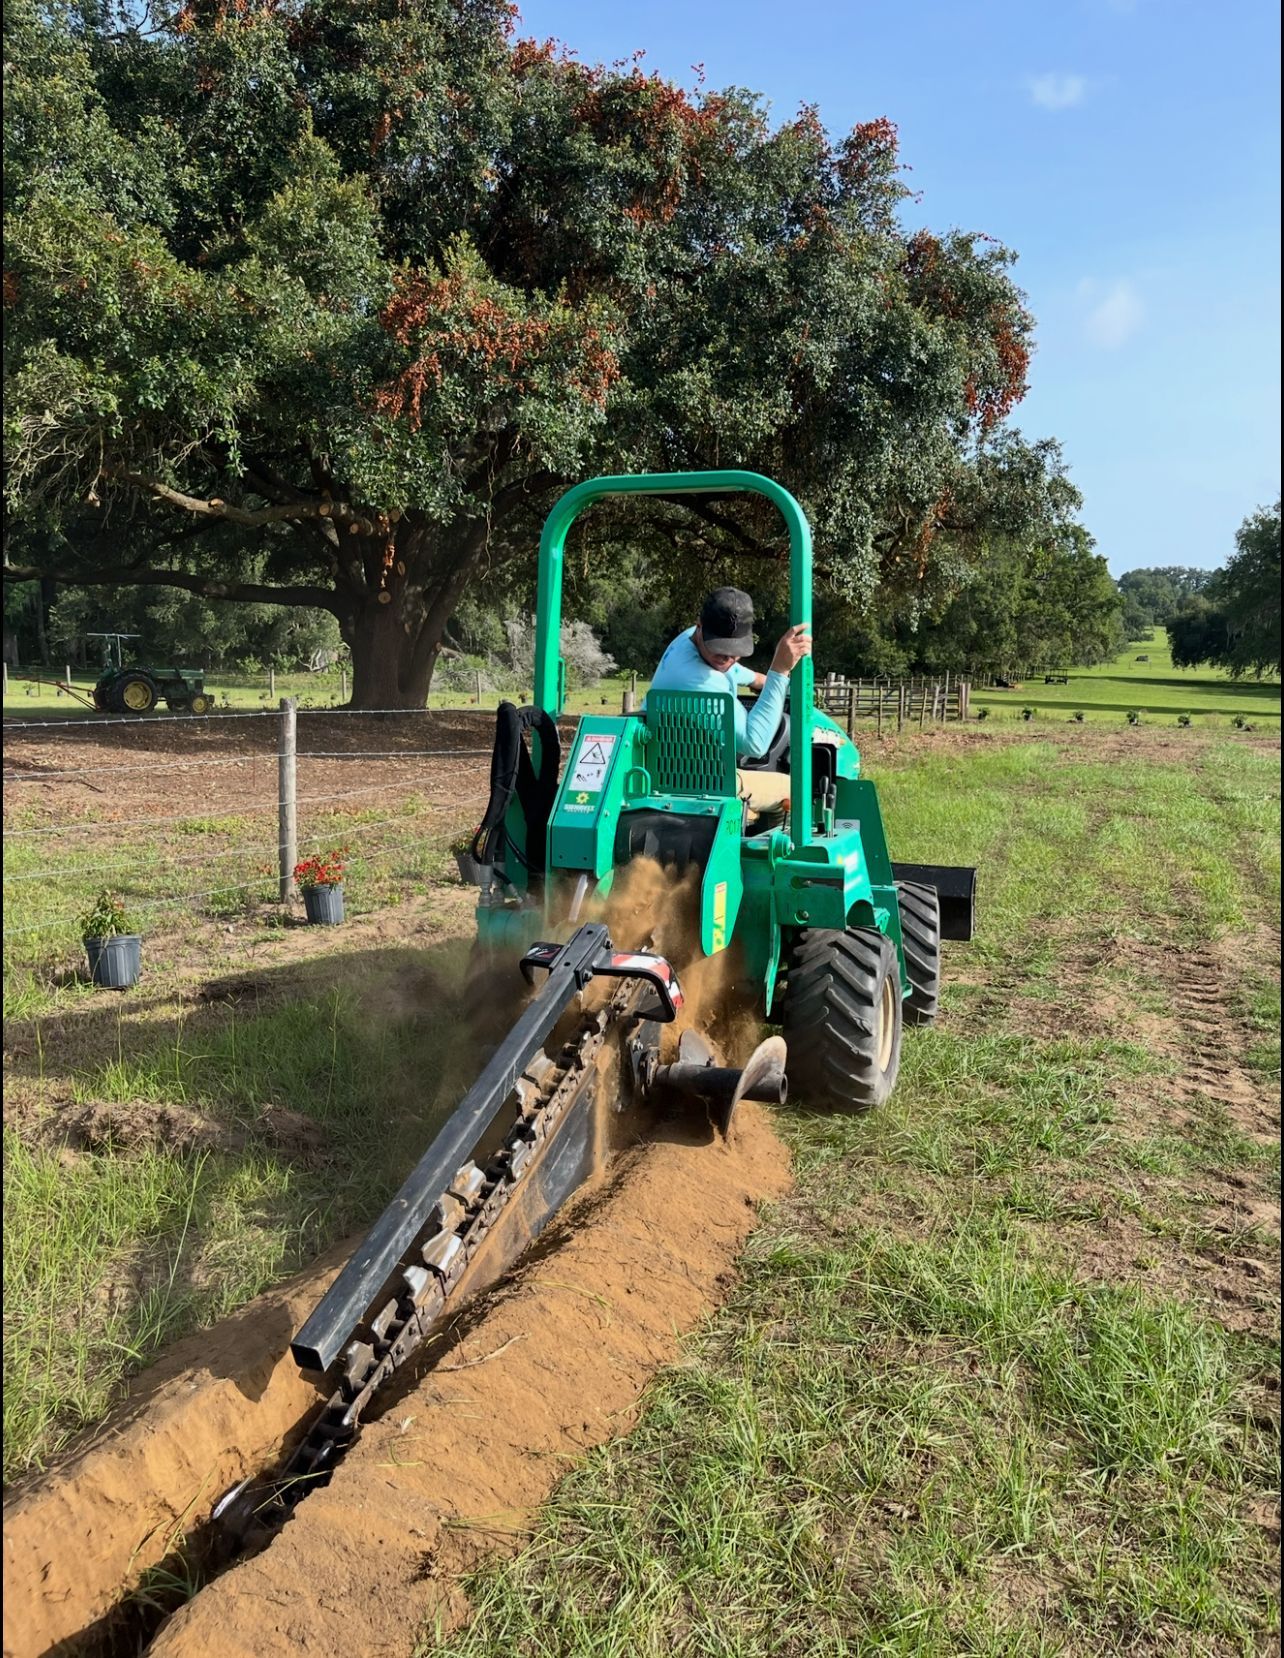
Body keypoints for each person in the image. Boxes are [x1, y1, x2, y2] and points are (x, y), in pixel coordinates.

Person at [648, 587, 812, 759]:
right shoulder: (696, 681)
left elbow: (723, 665)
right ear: (699, 628)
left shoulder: (689, 637)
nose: (727, 658)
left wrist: (755, 679)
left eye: (735, 651)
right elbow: (755, 744)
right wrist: (779, 670)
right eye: (719, 649)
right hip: (679, 771)